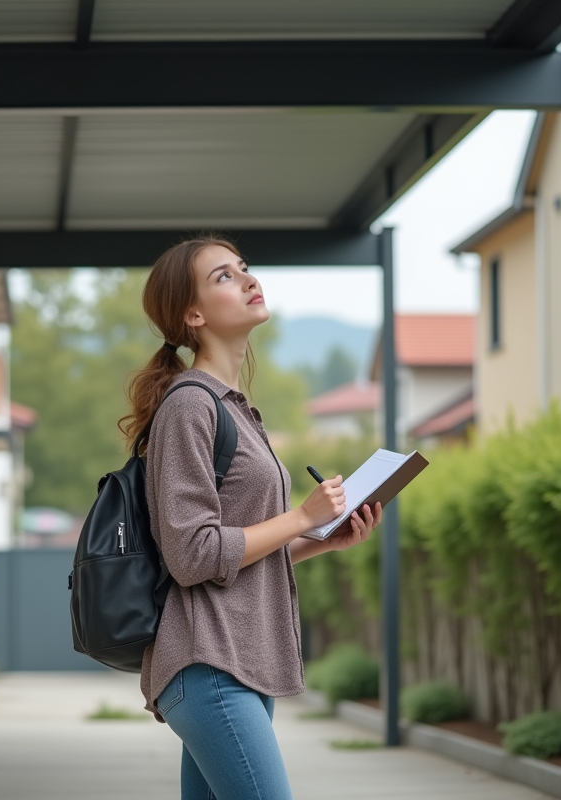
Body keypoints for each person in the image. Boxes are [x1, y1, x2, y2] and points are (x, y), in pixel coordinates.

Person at [119, 235, 384, 800]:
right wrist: (301, 516)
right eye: (224, 276)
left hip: (239, 665)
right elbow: (192, 555)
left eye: (244, 268)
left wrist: (322, 538)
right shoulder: (190, 405)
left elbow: (237, 557)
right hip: (209, 665)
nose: (248, 279)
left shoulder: (235, 409)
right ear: (193, 315)